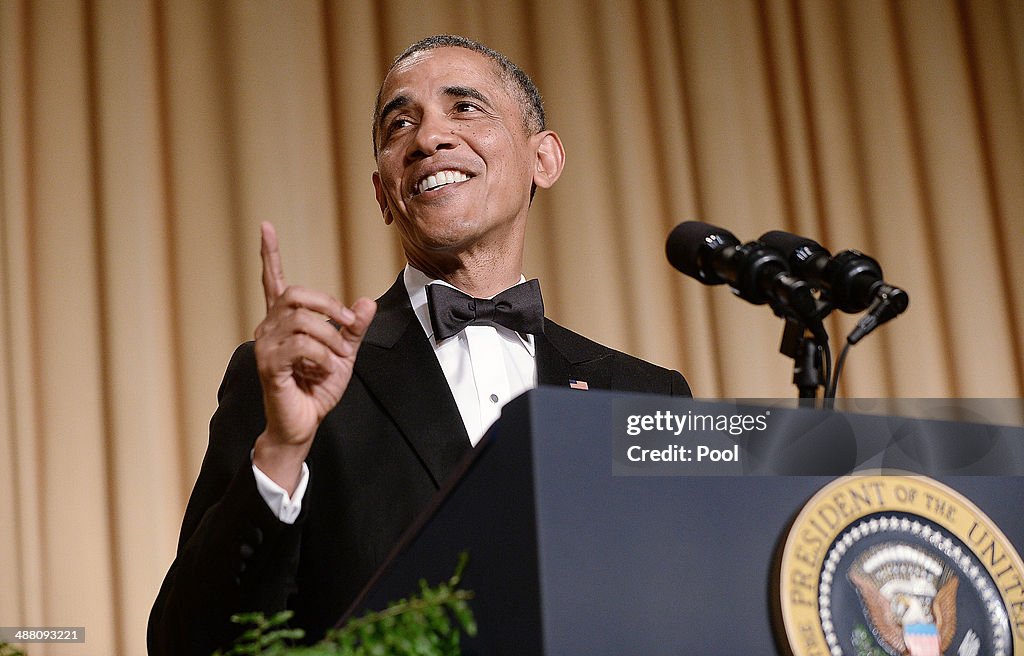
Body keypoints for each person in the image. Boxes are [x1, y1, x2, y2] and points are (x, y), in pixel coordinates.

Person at [148, 34, 690, 654]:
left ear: (544, 158)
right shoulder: (300, 377)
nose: (429, 138)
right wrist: (280, 454)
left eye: (465, 108)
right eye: (400, 123)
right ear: (383, 193)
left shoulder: (645, 393)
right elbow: (183, 642)